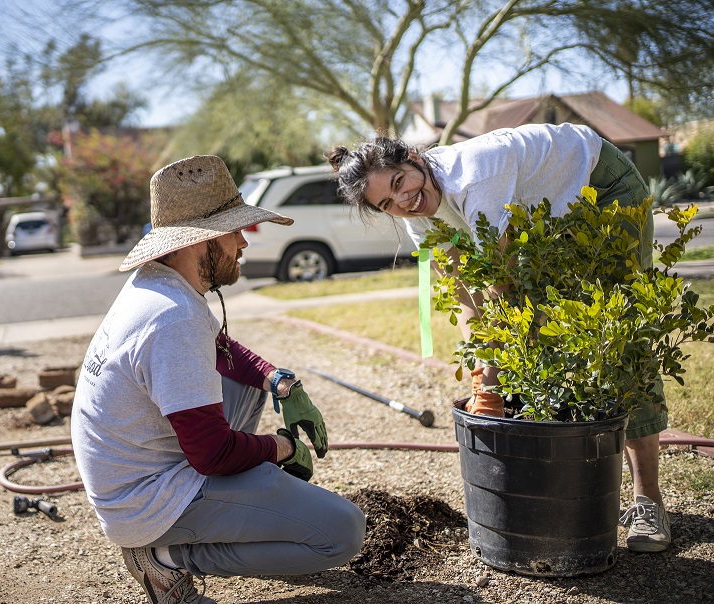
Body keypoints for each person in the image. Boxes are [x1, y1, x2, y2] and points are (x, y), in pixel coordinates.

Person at [327, 123, 670, 553]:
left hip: (602, 188)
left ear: (415, 159)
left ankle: (647, 499)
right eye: (387, 202)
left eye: (400, 182)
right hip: (547, 211)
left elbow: (502, 287)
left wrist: (493, 377)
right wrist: (480, 374)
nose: (403, 201)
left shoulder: (476, 176)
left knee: (615, 334)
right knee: (543, 326)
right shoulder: (419, 219)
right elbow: (469, 297)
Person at [71, 155, 366, 604]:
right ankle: (166, 558)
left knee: (246, 383)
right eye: (235, 231)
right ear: (201, 241)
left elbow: (224, 351)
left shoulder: (160, 284)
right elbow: (213, 454)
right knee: (343, 532)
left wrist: (281, 382)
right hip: (149, 504)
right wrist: (282, 448)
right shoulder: (173, 319)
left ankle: (235, 511)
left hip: (138, 477)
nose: (243, 243)